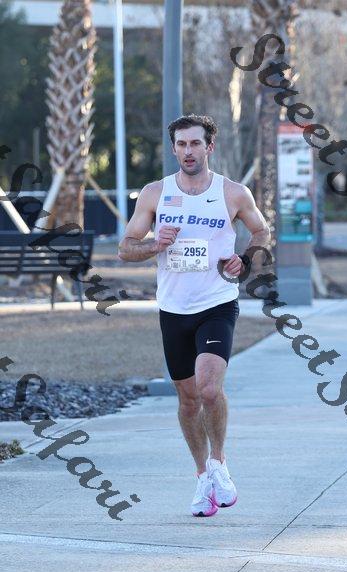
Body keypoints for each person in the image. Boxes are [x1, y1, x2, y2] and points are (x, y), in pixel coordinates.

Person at [118, 114, 270, 517]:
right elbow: (125, 248)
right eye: (181, 144)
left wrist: (246, 260)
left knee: (208, 389)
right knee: (187, 401)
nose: (188, 151)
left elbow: (261, 231)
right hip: (173, 309)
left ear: (209, 147)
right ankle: (202, 477)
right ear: (174, 149)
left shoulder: (233, 193)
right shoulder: (155, 193)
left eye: (195, 143)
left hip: (217, 302)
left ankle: (219, 463)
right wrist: (154, 245)